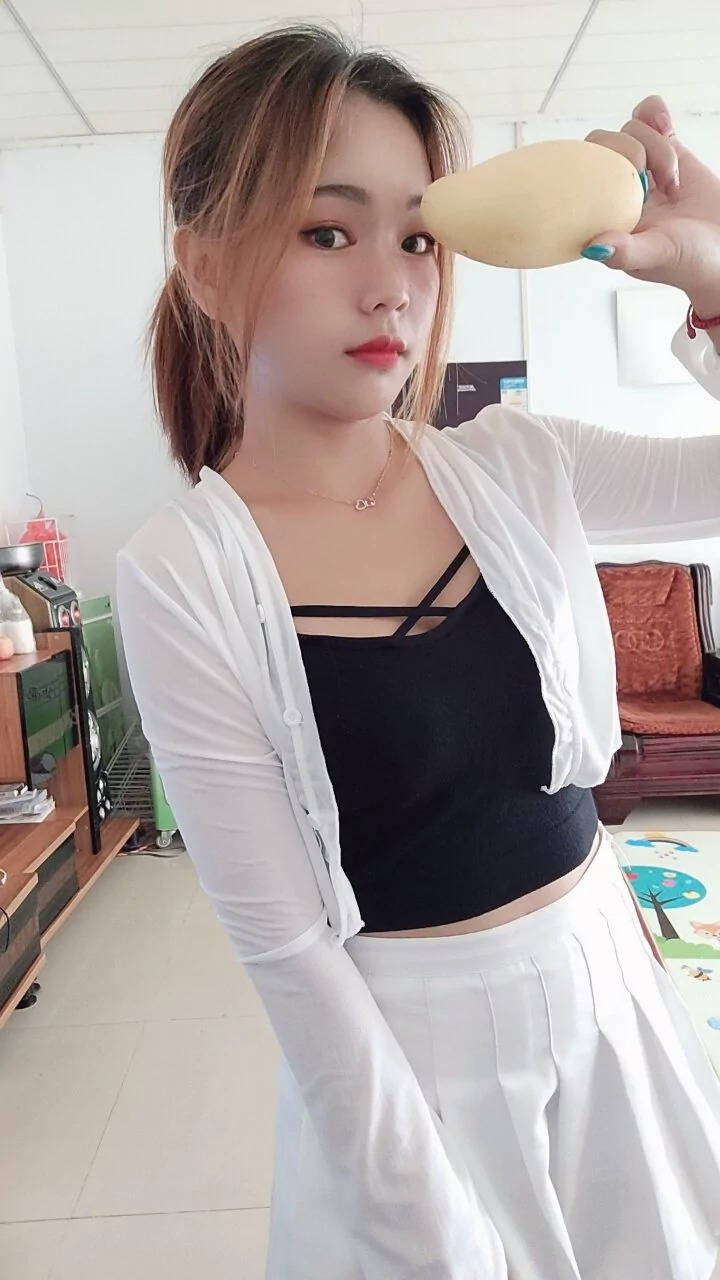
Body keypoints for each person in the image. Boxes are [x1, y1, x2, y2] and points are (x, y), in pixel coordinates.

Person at [116, 24, 720, 1280]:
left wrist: (716, 280)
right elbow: (290, 950)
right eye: (328, 232)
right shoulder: (186, 572)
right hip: (414, 1073)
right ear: (207, 265)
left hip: (612, 994)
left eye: (419, 238)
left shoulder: (517, 464)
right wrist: (428, 1224)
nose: (391, 285)